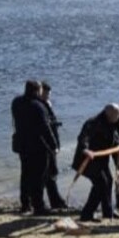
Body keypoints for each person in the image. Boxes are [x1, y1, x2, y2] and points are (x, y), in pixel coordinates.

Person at [11, 80, 58, 216]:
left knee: (25, 174)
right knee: (39, 177)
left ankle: (25, 204)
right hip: (38, 146)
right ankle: (39, 206)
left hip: (22, 144)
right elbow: (45, 128)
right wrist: (54, 145)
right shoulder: (38, 106)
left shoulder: (16, 102)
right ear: (37, 91)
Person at [75, 104, 119, 221]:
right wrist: (85, 149)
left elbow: (115, 140)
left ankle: (108, 212)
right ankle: (86, 214)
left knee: (108, 181)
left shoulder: (111, 124)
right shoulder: (93, 122)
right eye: (117, 115)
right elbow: (84, 137)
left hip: (101, 161)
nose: (118, 117)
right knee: (101, 184)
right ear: (108, 113)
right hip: (87, 160)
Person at [40, 82, 67, 211]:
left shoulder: (47, 104)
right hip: (46, 144)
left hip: (52, 142)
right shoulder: (39, 106)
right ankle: (55, 200)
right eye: (45, 94)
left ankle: (55, 199)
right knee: (50, 172)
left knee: (52, 171)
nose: (47, 97)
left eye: (48, 94)